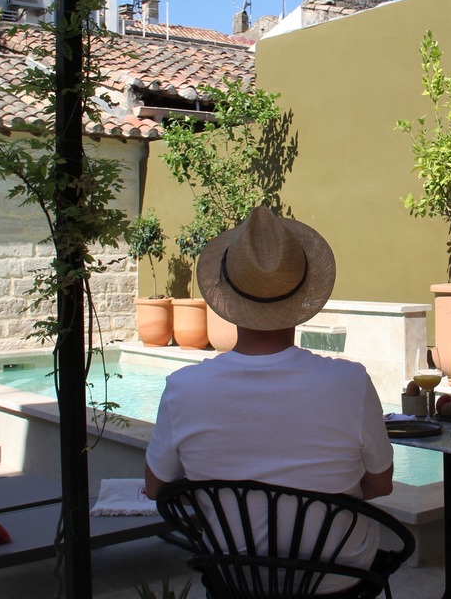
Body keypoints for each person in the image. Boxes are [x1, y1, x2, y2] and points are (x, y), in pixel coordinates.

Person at [145, 206, 394, 573]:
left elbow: (156, 488)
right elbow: (381, 482)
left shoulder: (184, 388)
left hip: (235, 578)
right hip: (336, 577)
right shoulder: (350, 383)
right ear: (303, 296)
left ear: (227, 298)